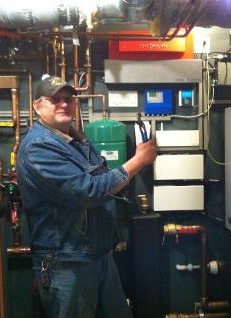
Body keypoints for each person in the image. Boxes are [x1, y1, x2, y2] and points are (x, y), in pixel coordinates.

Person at [16, 76, 157, 318]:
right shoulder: (38, 147)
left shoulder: (75, 140)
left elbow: (103, 178)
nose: (63, 104)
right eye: (55, 99)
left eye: (68, 99)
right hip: (67, 262)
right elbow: (88, 191)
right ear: (38, 107)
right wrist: (138, 161)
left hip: (97, 254)